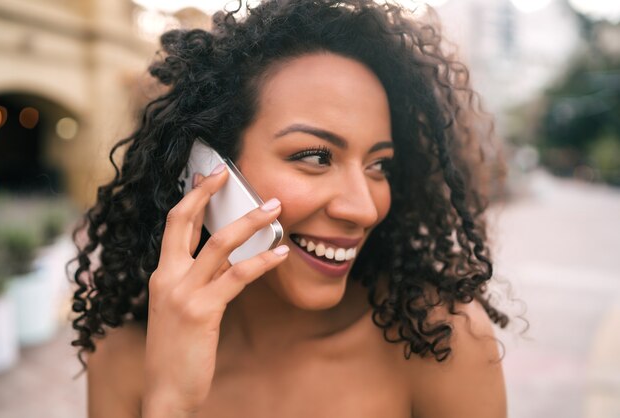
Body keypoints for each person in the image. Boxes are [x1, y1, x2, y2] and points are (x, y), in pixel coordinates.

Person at [70, 0, 512, 416]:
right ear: (203, 167)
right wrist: (169, 400)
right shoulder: (125, 360)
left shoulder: (435, 340)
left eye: (379, 165)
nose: (364, 209)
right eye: (317, 157)